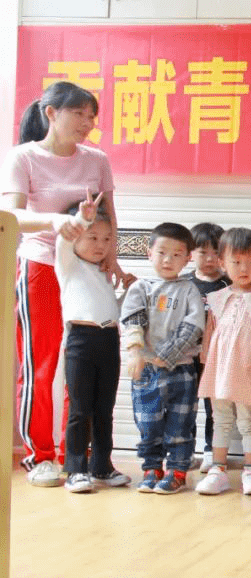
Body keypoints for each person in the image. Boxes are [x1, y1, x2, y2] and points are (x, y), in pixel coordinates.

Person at [2, 81, 122, 486]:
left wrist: (112, 256)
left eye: (92, 116)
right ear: (51, 113)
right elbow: (10, 217)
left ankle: (80, 458)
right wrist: (55, 222)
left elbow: (109, 213)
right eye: (80, 114)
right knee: (42, 364)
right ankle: (40, 456)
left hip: (88, 272)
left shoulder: (97, 159)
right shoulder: (23, 157)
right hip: (40, 268)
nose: (88, 123)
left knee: (83, 366)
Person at [121, 222, 206, 494]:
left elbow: (194, 326)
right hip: (145, 371)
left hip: (181, 370)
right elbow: (133, 320)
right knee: (148, 422)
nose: (168, 260)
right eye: (162, 252)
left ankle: (177, 470)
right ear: (149, 253)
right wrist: (137, 352)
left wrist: (165, 356)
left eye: (177, 254)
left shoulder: (189, 289)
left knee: (181, 423)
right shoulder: (141, 288)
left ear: (187, 258)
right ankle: (151, 468)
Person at [54, 192, 130, 492]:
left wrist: (129, 293)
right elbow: (63, 242)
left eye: (107, 239)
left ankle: (102, 467)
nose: (101, 245)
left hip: (109, 338)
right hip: (81, 341)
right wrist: (82, 218)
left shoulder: (104, 272)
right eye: (92, 237)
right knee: (80, 408)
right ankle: (75, 469)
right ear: (76, 238)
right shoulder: (69, 265)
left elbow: (111, 309)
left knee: (104, 408)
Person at [194, 228, 251, 496]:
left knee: (248, 419)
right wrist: (207, 364)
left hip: (250, 369)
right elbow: (210, 334)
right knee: (221, 419)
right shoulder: (217, 298)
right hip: (220, 370)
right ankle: (218, 469)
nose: (245, 268)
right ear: (222, 263)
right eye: (237, 262)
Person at [185, 222, 230, 474]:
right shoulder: (184, 283)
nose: (210, 259)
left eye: (216, 253)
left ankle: (211, 451)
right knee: (186, 403)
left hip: (216, 356)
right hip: (187, 354)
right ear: (191, 253)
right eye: (203, 252)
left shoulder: (227, 284)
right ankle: (185, 451)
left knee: (214, 406)